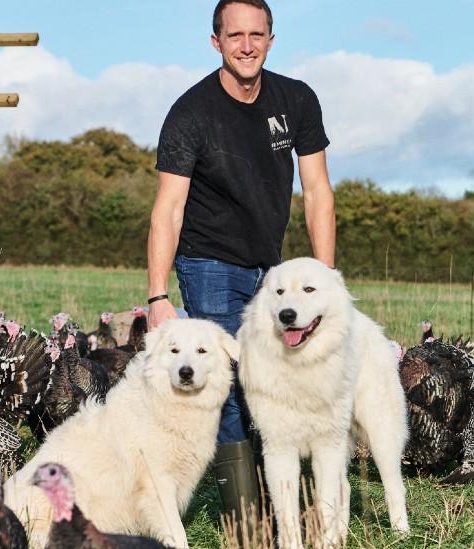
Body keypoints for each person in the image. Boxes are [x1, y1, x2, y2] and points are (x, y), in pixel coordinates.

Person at [146, 0, 336, 533]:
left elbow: (318, 191)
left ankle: (297, 516)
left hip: (270, 272)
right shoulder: (191, 113)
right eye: (235, 36)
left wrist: (323, 280)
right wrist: (158, 296)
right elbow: (168, 208)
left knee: (278, 384)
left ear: (271, 39)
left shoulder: (296, 100)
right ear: (216, 42)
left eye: (256, 34)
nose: (246, 45)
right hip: (207, 263)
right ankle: (247, 527)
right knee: (228, 389)